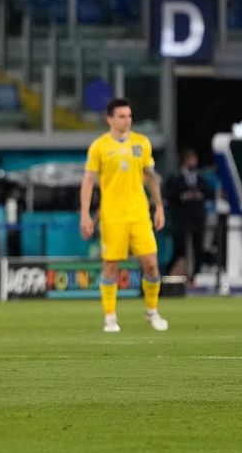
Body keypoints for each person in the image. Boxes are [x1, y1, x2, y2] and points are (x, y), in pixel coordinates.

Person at [79, 98, 168, 333]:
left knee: (151, 264)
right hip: (113, 214)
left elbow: (150, 176)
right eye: (121, 116)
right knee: (111, 266)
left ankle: (152, 311)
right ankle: (110, 317)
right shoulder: (99, 146)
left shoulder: (142, 143)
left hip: (139, 212)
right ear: (110, 119)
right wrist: (85, 215)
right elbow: (88, 181)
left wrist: (158, 207)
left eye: (129, 115)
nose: (126, 120)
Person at [164, 148, 213, 284]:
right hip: (181, 218)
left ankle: (195, 276)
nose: (194, 162)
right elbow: (169, 196)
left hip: (197, 217)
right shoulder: (176, 178)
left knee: (198, 247)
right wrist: (183, 196)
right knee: (179, 248)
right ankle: (167, 273)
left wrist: (198, 196)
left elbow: (209, 193)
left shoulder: (201, 178)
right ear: (185, 161)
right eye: (191, 159)